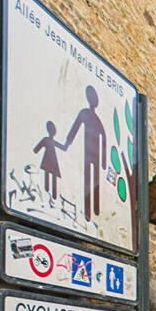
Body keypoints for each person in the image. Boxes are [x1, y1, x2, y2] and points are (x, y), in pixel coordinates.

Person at [64, 85, 107, 222]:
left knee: (95, 182)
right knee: (89, 180)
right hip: (88, 152)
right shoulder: (85, 113)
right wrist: (67, 143)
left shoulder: (95, 117)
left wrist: (104, 160)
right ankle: (88, 212)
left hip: (95, 153)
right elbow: (75, 128)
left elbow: (104, 138)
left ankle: (96, 210)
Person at [32, 121, 66, 200]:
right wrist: (36, 150)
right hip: (48, 159)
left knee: (53, 176)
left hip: (52, 160)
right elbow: (36, 149)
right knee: (48, 175)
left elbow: (63, 148)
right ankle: (47, 191)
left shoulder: (49, 140)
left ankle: (53, 195)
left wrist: (67, 143)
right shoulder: (46, 139)